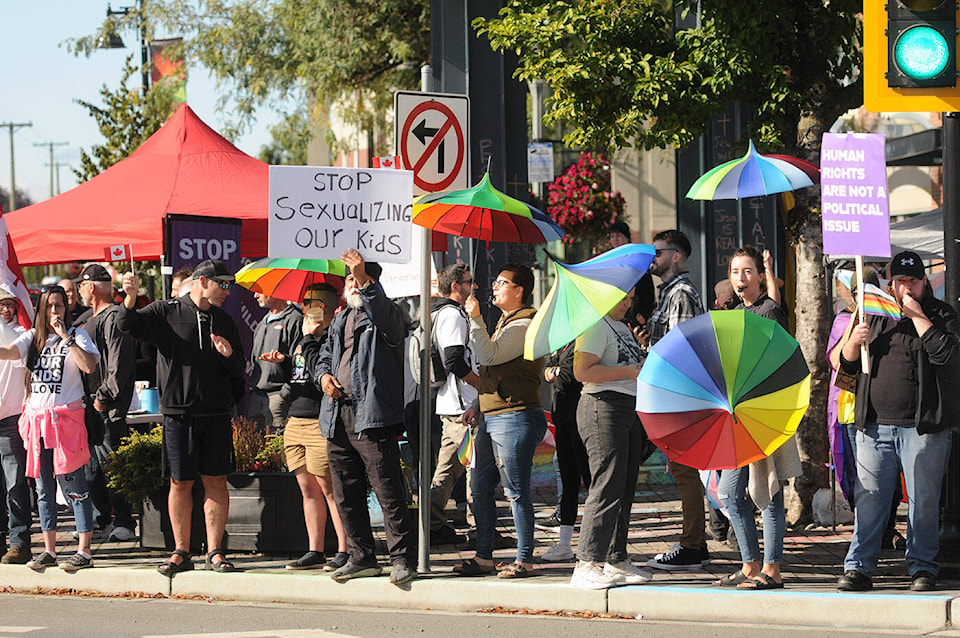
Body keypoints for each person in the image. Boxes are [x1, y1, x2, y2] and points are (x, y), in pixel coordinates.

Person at [836, 251, 959, 592]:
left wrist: (919, 316)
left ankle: (922, 567)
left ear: (923, 283)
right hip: (874, 426)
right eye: (900, 281)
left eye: (913, 281)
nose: (907, 288)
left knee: (923, 500)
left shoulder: (940, 313)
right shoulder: (874, 313)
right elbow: (845, 368)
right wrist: (852, 345)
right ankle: (859, 567)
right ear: (890, 283)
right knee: (870, 498)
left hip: (924, 427)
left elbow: (947, 356)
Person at [118, 259, 245, 577]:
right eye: (223, 284)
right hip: (178, 413)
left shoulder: (225, 320)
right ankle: (181, 551)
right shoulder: (166, 311)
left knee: (216, 481)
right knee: (180, 482)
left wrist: (229, 356)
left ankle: (215, 551)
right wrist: (130, 297)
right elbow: (127, 325)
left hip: (215, 413)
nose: (227, 291)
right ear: (203, 281)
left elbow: (239, 368)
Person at [316, 249, 417, 586]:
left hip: (371, 415)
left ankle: (402, 558)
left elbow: (387, 318)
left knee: (387, 488)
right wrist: (323, 377)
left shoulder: (388, 316)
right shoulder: (341, 320)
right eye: (350, 281)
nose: (354, 286)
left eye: (360, 280)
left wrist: (364, 279)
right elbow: (325, 357)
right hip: (337, 414)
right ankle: (362, 556)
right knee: (346, 490)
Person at [715, 246, 801, 590]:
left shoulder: (770, 312)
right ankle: (750, 565)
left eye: (747, 271)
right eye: (736, 271)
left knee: (768, 491)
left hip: (762, 416)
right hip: (735, 417)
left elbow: (784, 364)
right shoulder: (733, 314)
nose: (741, 278)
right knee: (730, 494)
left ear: (760, 276)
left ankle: (772, 569)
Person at [456, 263, 547, 579]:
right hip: (492, 415)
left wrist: (475, 318)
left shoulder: (526, 323)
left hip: (516, 415)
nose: (494, 287)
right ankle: (484, 556)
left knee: (515, 489)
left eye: (501, 283)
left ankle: (525, 559)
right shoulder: (506, 322)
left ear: (519, 290)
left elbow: (488, 356)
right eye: (494, 281)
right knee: (480, 487)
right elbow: (492, 373)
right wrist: (476, 405)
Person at [0, 286, 100, 572]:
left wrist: (67, 338)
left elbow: (90, 366)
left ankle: (84, 550)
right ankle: (50, 550)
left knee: (75, 487)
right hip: (37, 423)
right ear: (41, 310)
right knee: (43, 489)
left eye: (59, 306)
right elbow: (9, 352)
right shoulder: (33, 338)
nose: (54, 311)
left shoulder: (78, 334)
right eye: (49, 306)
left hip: (66, 423)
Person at [569, 290, 654, 589]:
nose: (629, 303)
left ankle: (615, 558)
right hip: (602, 405)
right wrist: (628, 371)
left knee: (625, 484)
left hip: (626, 407)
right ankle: (587, 562)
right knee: (607, 482)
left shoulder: (621, 327)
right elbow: (582, 371)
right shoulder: (595, 324)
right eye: (623, 297)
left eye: (632, 297)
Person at [640, 229, 710, 571]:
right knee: (683, 470)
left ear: (676, 256)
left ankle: (693, 544)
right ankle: (694, 540)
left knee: (684, 471)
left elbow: (679, 351)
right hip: (673, 393)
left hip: (677, 394)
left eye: (658, 252)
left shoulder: (680, 292)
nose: (653, 258)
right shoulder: (669, 293)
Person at [278, 283, 349, 571]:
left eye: (315, 304)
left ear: (330, 309)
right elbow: (297, 376)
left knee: (330, 489)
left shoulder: (329, 339)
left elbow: (321, 375)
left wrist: (310, 339)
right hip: (295, 417)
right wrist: (282, 363)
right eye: (305, 303)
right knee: (307, 488)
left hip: (319, 420)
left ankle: (345, 549)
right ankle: (314, 549)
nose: (308, 309)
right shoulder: (301, 336)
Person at [75, 264, 138, 542]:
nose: (78, 291)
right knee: (92, 468)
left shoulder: (112, 317)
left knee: (112, 466)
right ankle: (102, 520)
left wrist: (102, 401)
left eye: (80, 286)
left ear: (90, 287)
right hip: (86, 407)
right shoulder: (89, 319)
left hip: (105, 409)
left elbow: (119, 365)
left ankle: (124, 522)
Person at [428, 263, 479, 546]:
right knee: (474, 468)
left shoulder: (440, 313)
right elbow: (454, 361)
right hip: (462, 406)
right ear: (456, 287)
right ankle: (479, 528)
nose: (474, 287)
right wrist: (479, 384)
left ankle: (432, 524)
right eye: (469, 282)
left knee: (448, 469)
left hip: (450, 404)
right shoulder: (452, 315)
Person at [538, 339, 590, 562]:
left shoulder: (584, 341)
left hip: (580, 420)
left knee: (590, 480)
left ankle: (597, 541)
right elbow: (550, 369)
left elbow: (570, 376)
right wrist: (554, 370)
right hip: (563, 419)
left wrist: (557, 371)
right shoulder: (563, 343)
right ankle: (564, 543)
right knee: (568, 480)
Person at [0, 289, 31, 564]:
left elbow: (11, 344)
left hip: (10, 419)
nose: (5, 310)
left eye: (9, 305)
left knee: (16, 484)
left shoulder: (22, 334)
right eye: (1, 305)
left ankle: (20, 542)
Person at [248, 293, 302, 433]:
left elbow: (300, 362)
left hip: (278, 398)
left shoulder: (295, 319)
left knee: (275, 452)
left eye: (260, 291)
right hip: (257, 397)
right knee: (253, 449)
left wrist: (284, 394)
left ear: (275, 290)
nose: (255, 296)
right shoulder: (262, 322)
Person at [608, 221, 655, 327]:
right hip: (613, 315)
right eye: (612, 236)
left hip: (634, 315)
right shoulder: (607, 261)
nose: (615, 239)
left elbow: (648, 291)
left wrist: (644, 312)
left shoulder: (638, 260)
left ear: (627, 238)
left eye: (619, 235)